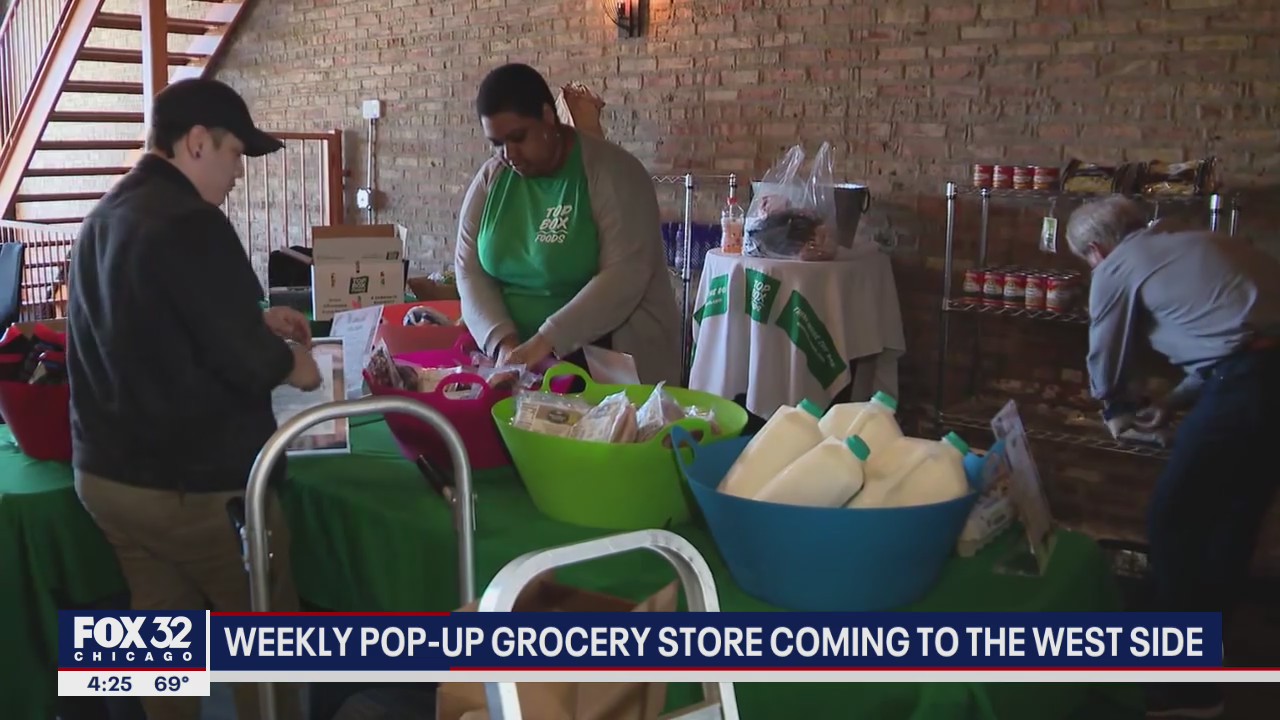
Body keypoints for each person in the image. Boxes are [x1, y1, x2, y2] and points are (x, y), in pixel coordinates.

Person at [66, 78, 314, 720]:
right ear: (197, 142)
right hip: (198, 489)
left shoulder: (103, 216)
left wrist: (254, 320)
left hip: (108, 480)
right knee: (267, 647)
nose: (238, 172)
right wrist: (297, 366)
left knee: (162, 644)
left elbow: (147, 327)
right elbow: (247, 362)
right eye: (235, 153)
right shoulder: (192, 222)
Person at [1068, 196, 1280, 719]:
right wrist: (1172, 402)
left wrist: (1113, 408)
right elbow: (1232, 343)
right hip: (1258, 382)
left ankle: (1185, 687)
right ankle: (1207, 656)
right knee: (1230, 523)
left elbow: (1104, 345)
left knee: (1174, 520)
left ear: (1096, 249)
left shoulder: (1117, 263)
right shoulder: (1194, 241)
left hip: (1248, 387)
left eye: (1087, 260)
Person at [455, 63, 682, 385]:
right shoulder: (493, 178)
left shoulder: (613, 173)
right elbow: (468, 270)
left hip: (602, 357)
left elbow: (625, 274)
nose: (509, 153)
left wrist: (542, 344)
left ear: (548, 117)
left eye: (518, 137)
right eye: (497, 143)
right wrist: (504, 345)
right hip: (514, 359)